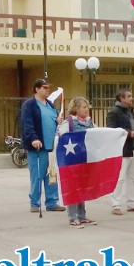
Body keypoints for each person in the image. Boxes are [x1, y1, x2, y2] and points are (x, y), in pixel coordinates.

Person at [21, 79, 66, 213]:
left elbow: (54, 120)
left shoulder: (50, 105)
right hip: (38, 146)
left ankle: (52, 202)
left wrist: (59, 121)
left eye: (48, 88)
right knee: (37, 175)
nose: (48, 90)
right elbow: (27, 124)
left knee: (51, 175)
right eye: (45, 88)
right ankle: (35, 202)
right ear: (36, 89)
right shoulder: (30, 105)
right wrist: (33, 138)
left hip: (51, 147)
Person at [57, 97, 98, 229]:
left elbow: (99, 134)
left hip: (85, 159)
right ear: (76, 108)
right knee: (73, 188)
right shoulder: (69, 123)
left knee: (82, 187)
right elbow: (61, 137)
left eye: (87, 107)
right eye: (83, 107)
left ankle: (81, 215)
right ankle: (72, 217)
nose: (87, 110)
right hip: (72, 161)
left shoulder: (90, 122)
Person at [107, 88, 134, 215]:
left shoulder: (131, 111)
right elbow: (111, 130)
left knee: (132, 177)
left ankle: (131, 203)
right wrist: (128, 133)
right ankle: (115, 204)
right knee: (120, 177)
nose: (131, 98)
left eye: (131, 96)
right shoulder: (114, 112)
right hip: (123, 150)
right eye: (128, 96)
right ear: (121, 99)